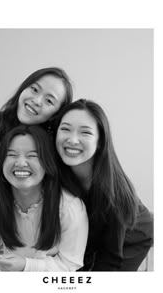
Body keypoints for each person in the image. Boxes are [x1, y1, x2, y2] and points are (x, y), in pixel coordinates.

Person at [0, 67, 73, 270]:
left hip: (20, 253)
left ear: (55, 115)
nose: (37, 100)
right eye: (34, 89)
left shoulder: (50, 152)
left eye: (49, 100)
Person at [55, 99, 153, 271]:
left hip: (132, 236)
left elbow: (110, 259)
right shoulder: (56, 168)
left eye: (85, 133)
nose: (72, 139)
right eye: (65, 129)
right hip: (94, 230)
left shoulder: (113, 194)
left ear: (100, 141)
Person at [0, 125, 88, 271]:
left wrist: (26, 265)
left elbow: (68, 265)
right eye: (11, 155)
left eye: (32, 156)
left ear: (47, 163)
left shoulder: (69, 208)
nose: (20, 163)